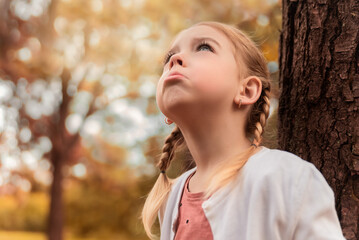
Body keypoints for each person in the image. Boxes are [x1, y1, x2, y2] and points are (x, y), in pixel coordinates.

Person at [141, 21, 346, 240]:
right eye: (168, 57)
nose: (175, 59)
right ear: (167, 116)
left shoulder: (287, 177)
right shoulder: (171, 199)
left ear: (247, 90)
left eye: (204, 47)